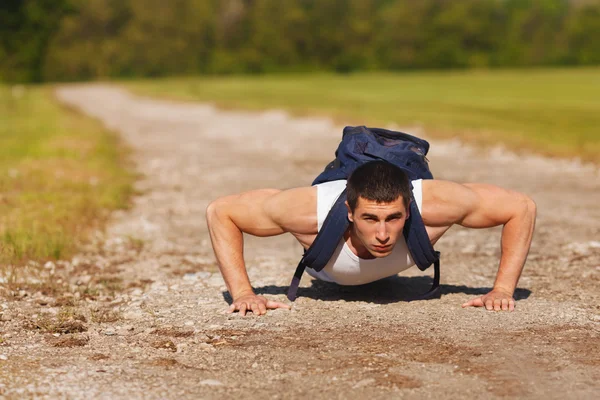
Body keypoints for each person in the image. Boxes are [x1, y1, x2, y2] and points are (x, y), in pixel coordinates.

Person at [206, 160, 536, 316]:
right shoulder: (309, 212)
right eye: (369, 218)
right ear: (350, 212)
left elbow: (521, 206)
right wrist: (244, 293)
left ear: (408, 210)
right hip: (327, 269)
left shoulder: (438, 205)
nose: (382, 234)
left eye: (393, 218)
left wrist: (503, 289)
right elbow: (222, 212)